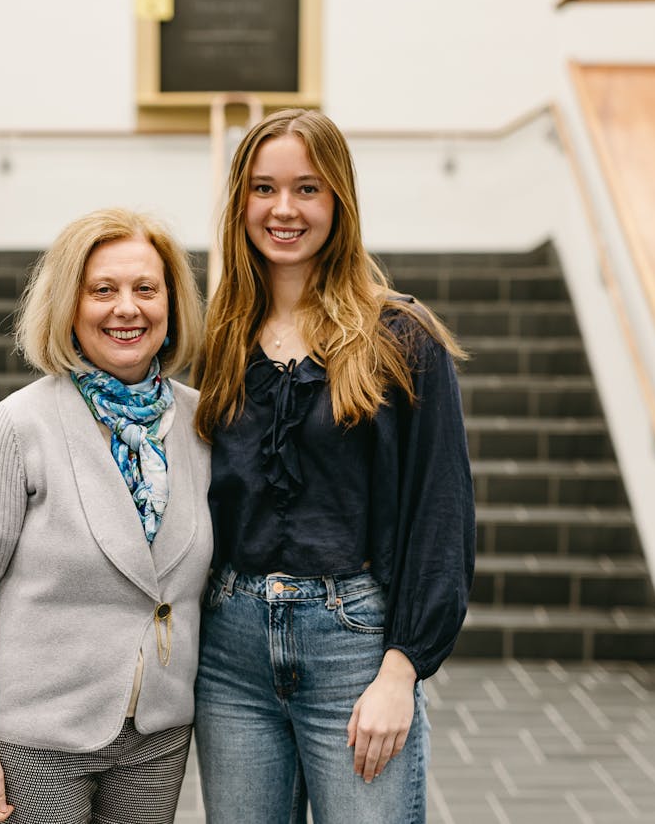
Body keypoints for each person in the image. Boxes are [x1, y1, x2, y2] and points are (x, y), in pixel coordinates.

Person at [192, 108, 476, 822]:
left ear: (339, 202)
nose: (283, 208)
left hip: (353, 649)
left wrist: (401, 669)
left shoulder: (401, 338)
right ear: (240, 203)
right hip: (231, 654)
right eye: (263, 188)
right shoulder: (217, 339)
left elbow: (441, 514)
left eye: (307, 189)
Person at [0, 207, 212, 824]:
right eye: (102, 289)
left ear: (171, 304)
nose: (126, 308)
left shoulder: (202, 425)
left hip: (159, 736)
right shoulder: (17, 426)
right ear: (69, 305)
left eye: (146, 288)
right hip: (38, 738)